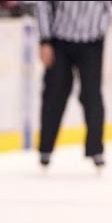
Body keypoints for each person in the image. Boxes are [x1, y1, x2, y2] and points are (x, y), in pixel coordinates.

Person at [36, 2, 111, 168]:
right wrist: (45, 40)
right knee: (54, 94)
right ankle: (45, 148)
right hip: (60, 40)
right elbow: (43, 5)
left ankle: (95, 148)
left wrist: (103, 25)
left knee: (92, 95)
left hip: (92, 40)